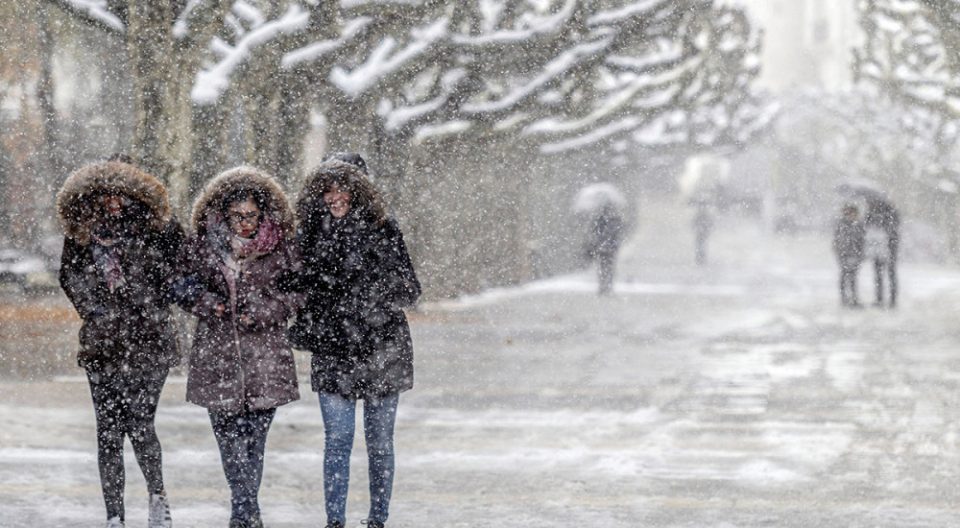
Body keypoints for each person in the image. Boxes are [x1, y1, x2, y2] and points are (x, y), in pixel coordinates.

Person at [284, 158, 421, 528]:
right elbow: (292, 284)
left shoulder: (383, 229)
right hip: (333, 349)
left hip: (382, 348)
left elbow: (410, 289)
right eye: (326, 189)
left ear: (359, 189)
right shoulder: (309, 234)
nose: (334, 197)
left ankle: (378, 519)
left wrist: (365, 293)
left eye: (342, 187)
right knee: (338, 440)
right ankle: (335, 522)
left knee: (379, 444)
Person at [56, 160, 183, 528]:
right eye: (106, 192)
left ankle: (158, 498)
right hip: (102, 345)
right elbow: (70, 275)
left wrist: (145, 297)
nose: (114, 200)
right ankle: (115, 515)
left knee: (141, 424)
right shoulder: (82, 232)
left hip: (150, 342)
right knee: (108, 432)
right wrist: (95, 309)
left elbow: (176, 272)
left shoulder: (159, 228)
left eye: (122, 192)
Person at [174, 166, 299, 528]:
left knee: (254, 440)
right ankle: (245, 510)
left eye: (252, 216)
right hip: (217, 357)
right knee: (229, 441)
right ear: (223, 214)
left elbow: (298, 291)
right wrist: (209, 304)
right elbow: (179, 284)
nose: (245, 223)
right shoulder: (202, 245)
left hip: (266, 359)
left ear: (263, 214)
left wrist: (264, 310)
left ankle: (244, 510)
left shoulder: (281, 247)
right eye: (237, 216)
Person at [863, 197, 899, 308]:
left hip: (888, 248)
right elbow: (866, 227)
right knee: (881, 275)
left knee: (887, 274)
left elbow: (894, 228)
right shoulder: (872, 213)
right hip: (879, 248)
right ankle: (881, 299)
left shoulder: (889, 213)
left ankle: (889, 299)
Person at [585, 202, 624, 295]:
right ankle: (608, 286)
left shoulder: (599, 220)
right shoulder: (616, 221)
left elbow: (595, 233)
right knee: (609, 267)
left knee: (602, 267)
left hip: (602, 248)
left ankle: (603, 286)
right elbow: (618, 234)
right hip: (611, 248)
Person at [833, 203, 865, 308]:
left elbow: (862, 240)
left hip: (854, 254)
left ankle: (853, 298)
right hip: (845, 254)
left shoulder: (859, 225)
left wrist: (860, 253)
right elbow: (837, 240)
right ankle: (844, 298)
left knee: (853, 277)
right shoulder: (842, 224)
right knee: (845, 275)